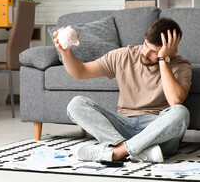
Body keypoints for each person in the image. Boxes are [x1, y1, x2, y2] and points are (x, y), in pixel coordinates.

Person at [53, 17, 192, 163]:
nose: (145, 53)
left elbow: (175, 101)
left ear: (172, 51)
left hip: (156, 130)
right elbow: (80, 72)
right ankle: (132, 150)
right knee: (76, 104)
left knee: (181, 112)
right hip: (123, 125)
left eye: (154, 52)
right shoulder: (124, 55)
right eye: (145, 45)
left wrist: (163, 60)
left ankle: (116, 152)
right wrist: (65, 52)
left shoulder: (181, 65)